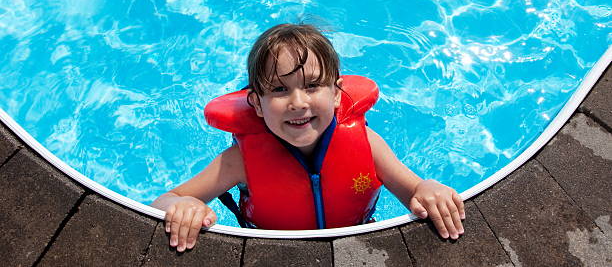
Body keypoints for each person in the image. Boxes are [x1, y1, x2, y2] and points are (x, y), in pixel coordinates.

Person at [152, 24, 465, 252]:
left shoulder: (367, 143)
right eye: (279, 89)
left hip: (361, 248)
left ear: (338, 95)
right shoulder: (239, 163)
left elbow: (414, 190)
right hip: (270, 254)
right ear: (257, 104)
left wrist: (430, 189)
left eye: (313, 86)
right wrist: (183, 207)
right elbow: (165, 200)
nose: (298, 102)